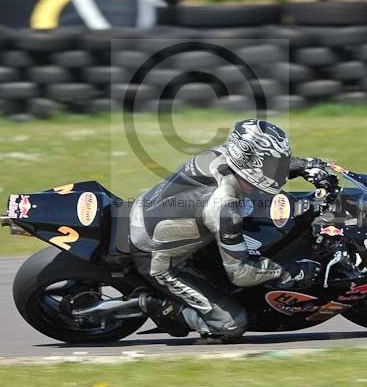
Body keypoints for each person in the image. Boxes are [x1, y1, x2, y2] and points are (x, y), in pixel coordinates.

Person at [131, 118, 328, 341]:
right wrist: (289, 272)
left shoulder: (222, 155)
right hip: (156, 257)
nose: (278, 168)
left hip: (150, 210)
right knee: (230, 325)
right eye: (274, 163)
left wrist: (304, 164)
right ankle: (159, 306)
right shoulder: (225, 208)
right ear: (250, 163)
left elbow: (261, 168)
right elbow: (240, 273)